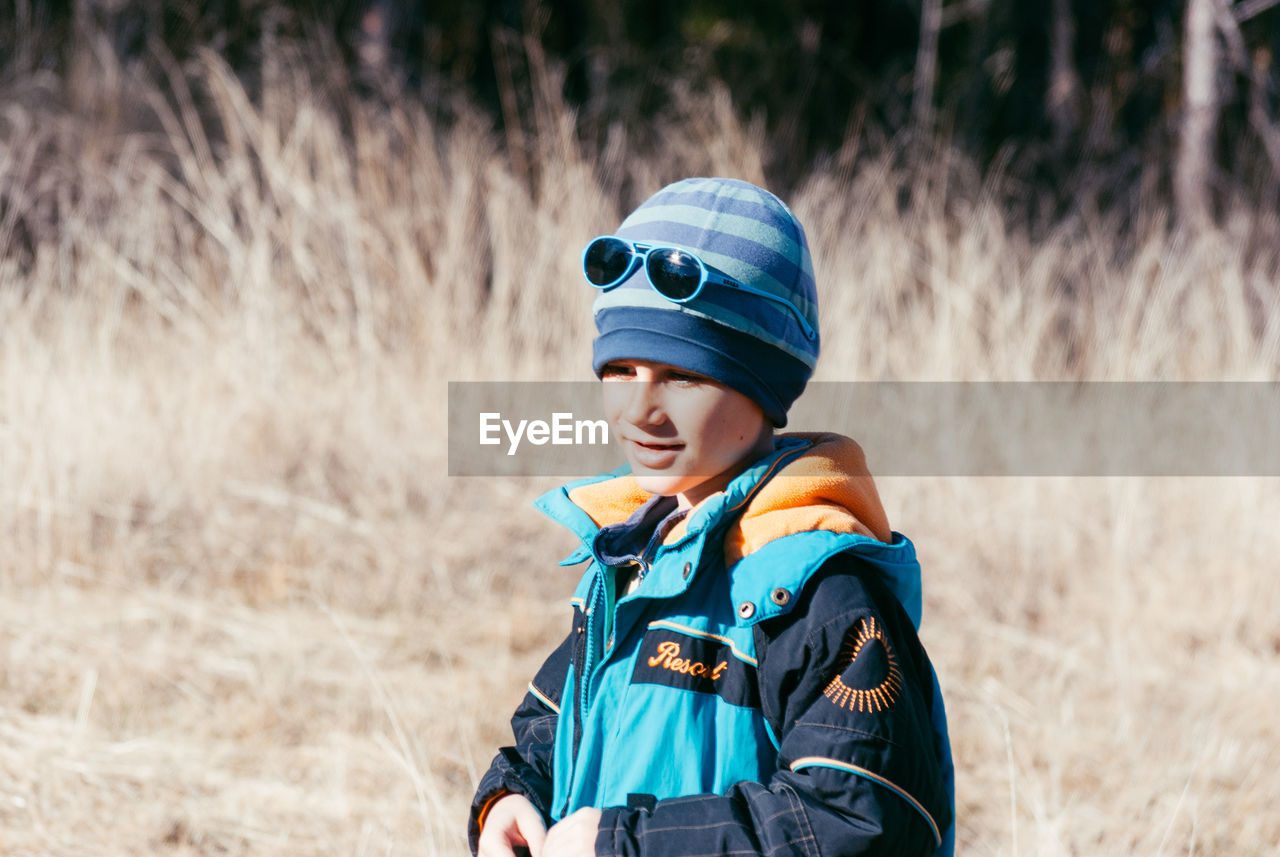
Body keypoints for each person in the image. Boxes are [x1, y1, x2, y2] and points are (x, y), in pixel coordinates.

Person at [468, 177, 955, 857]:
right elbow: (552, 732)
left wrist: (626, 847)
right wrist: (507, 797)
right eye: (620, 370)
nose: (640, 409)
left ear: (763, 384)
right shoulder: (629, 559)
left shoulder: (821, 597)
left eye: (685, 376)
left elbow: (861, 818)